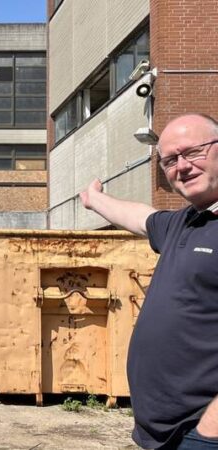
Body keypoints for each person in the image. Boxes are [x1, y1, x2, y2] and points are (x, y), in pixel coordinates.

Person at [80, 113, 218, 449]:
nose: (181, 167)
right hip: (162, 430)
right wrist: (95, 199)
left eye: (193, 152)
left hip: (200, 432)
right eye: (169, 160)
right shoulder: (185, 222)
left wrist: (210, 428)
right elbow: (141, 217)